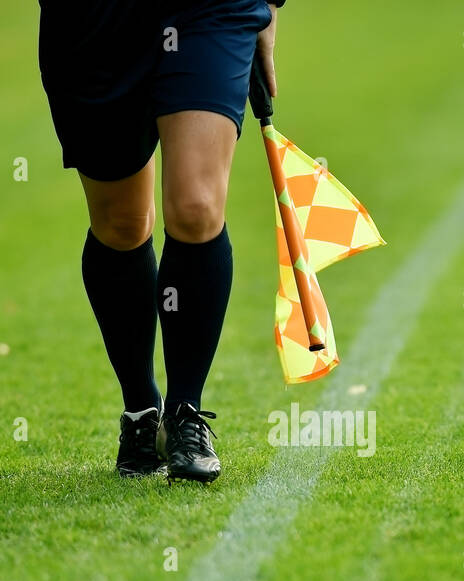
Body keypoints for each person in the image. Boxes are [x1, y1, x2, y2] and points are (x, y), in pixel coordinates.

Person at [38, 0, 283, 482]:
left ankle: (185, 413)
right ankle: (141, 414)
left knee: (196, 207)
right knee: (121, 223)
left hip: (212, 5)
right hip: (94, 20)